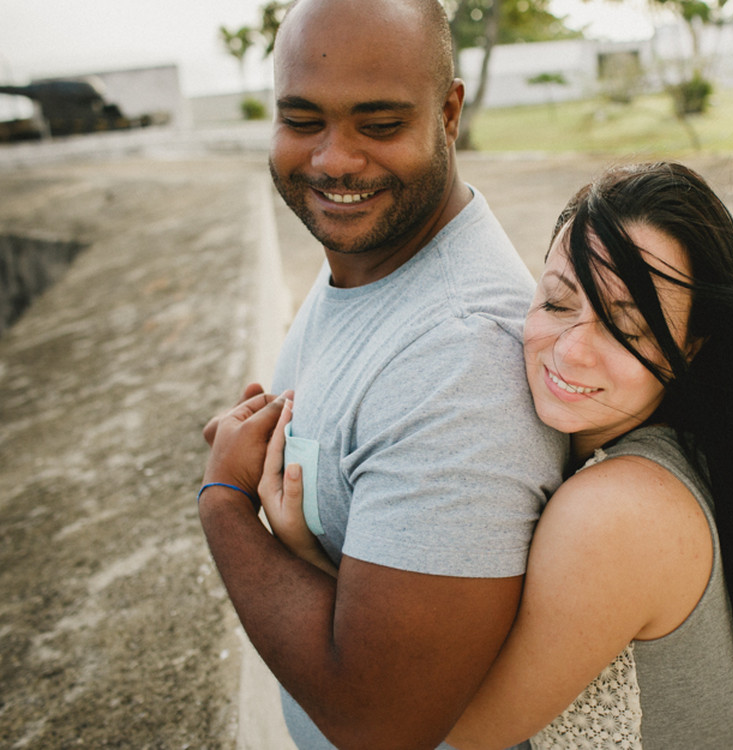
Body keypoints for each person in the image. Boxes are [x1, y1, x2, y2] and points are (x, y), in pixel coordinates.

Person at [245, 161, 733, 749]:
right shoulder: (680, 445)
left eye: (629, 329)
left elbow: (441, 726)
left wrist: (293, 548)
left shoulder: (616, 514)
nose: (571, 351)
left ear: (692, 346)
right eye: (559, 304)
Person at [197, 0, 566, 748]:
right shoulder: (369, 265)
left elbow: (382, 722)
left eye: (379, 124)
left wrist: (224, 506)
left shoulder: (459, 361)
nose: (333, 159)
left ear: (449, 113)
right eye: (303, 121)